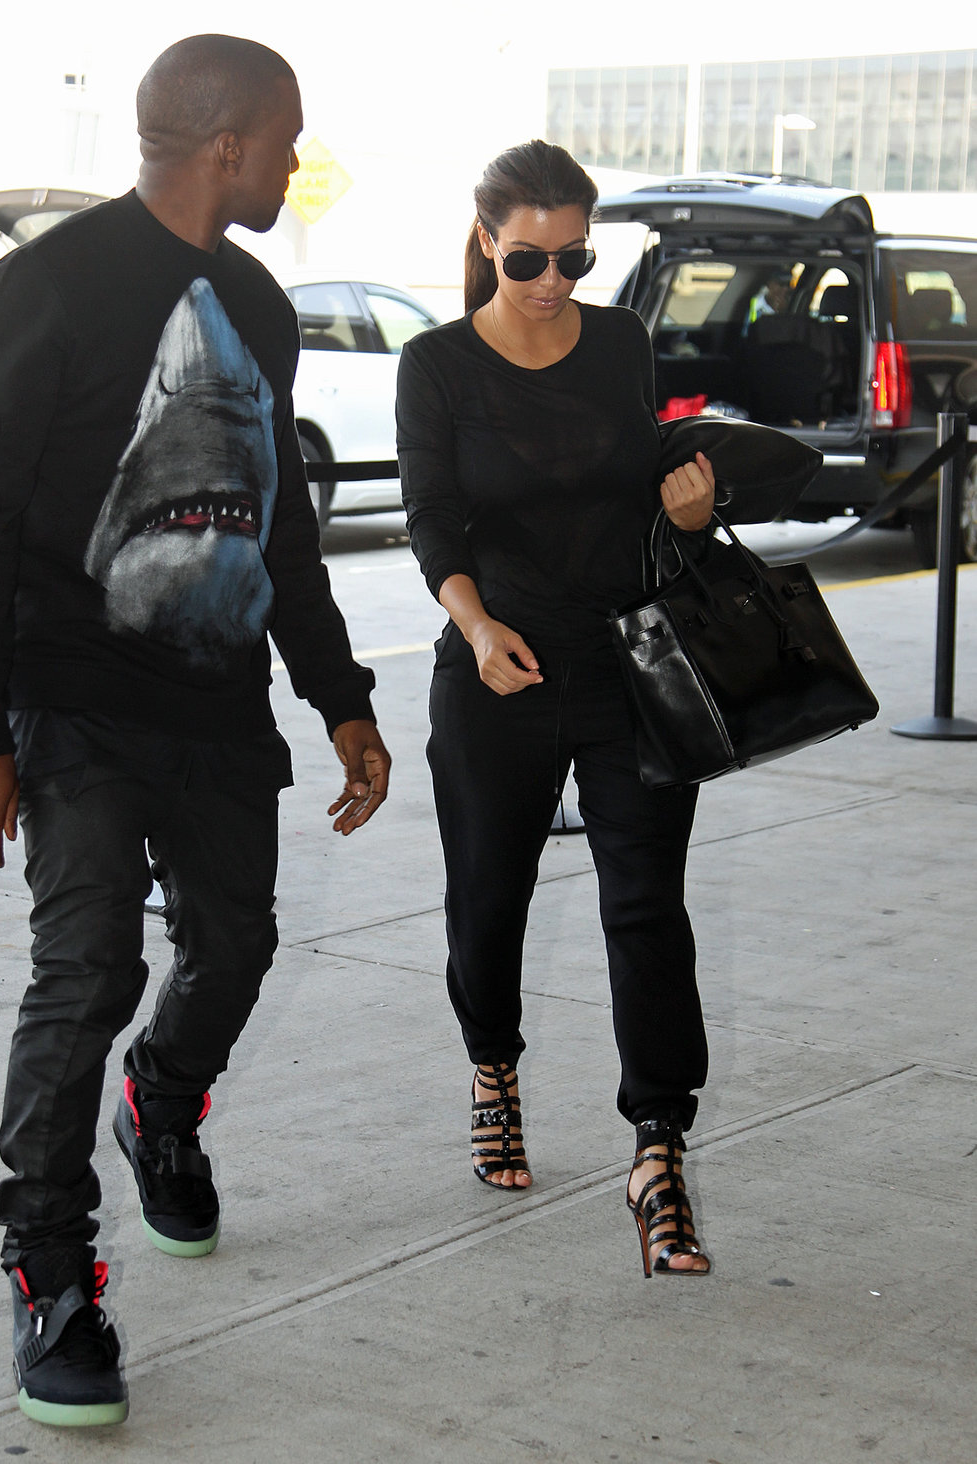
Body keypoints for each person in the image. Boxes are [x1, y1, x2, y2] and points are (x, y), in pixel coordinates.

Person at [0, 35, 391, 1427]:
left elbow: (281, 521)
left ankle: (165, 1101)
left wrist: (342, 694)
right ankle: (50, 1274)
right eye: (287, 139)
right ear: (228, 146)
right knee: (87, 969)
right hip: (72, 696)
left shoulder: (257, 302)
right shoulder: (43, 287)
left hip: (216, 697)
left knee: (236, 948)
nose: (297, 163)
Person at [395, 140, 714, 1278]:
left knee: (648, 907)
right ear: (487, 241)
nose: (552, 279)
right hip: (500, 670)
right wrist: (478, 629)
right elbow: (431, 518)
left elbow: (640, 495)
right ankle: (494, 1071)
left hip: (629, 665)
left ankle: (658, 1149)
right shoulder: (436, 363)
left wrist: (687, 513)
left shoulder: (620, 342)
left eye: (574, 256)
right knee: (489, 898)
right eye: (528, 257)